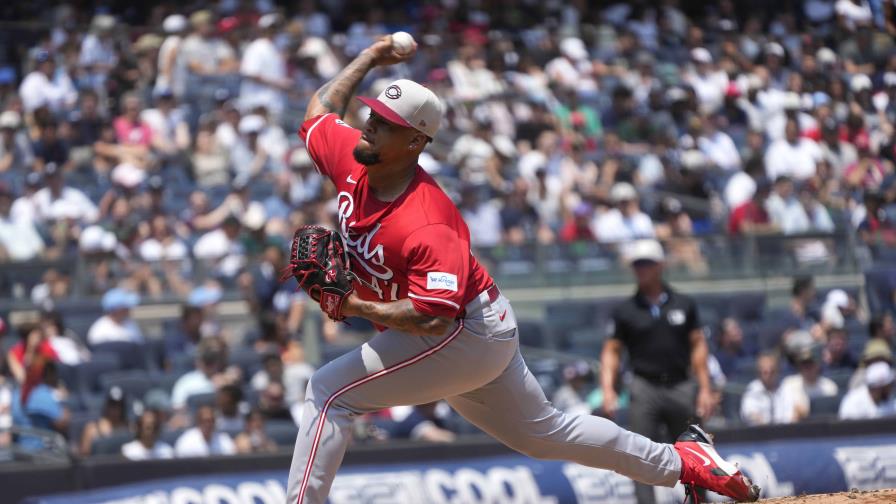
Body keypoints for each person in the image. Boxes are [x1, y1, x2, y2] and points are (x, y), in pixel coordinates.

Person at [284, 38, 758, 504]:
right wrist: (369, 57)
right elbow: (317, 112)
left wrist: (352, 303)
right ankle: (688, 463)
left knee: (328, 391)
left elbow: (434, 317)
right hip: (473, 326)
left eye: (385, 123)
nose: (368, 125)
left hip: (462, 329)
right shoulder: (353, 157)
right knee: (546, 433)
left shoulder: (426, 219)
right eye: (371, 115)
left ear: (414, 140)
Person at [601, 239, 715, 504]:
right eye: (637, 264)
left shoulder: (684, 304)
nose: (641, 269)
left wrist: (705, 389)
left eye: (646, 263)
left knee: (695, 453)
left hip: (680, 385)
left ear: (660, 265)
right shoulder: (625, 311)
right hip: (644, 387)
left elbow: (698, 346)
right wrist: (608, 389)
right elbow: (611, 351)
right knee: (639, 456)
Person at [779, 344, 839, 420]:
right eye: (804, 364)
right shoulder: (788, 384)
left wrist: (806, 414)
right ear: (799, 366)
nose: (807, 368)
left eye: (810, 364)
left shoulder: (829, 387)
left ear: (818, 365)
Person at [740, 353, 796, 425]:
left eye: (772, 372)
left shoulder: (785, 388)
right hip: (758, 433)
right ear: (759, 373)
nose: (768, 376)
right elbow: (749, 414)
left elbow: (789, 415)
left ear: (777, 371)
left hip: (783, 432)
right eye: (765, 372)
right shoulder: (752, 389)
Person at [79, 386, 129, 456]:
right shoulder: (92, 429)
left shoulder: (129, 428)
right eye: (113, 405)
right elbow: (84, 456)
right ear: (107, 406)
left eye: (119, 405)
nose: (116, 409)